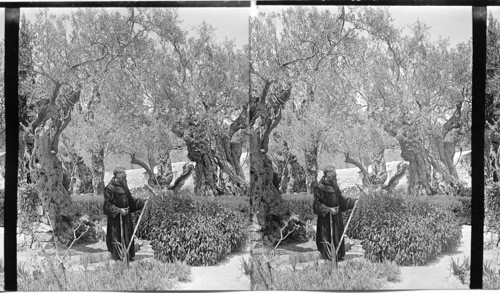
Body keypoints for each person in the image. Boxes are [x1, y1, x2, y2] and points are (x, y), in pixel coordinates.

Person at [313, 165, 358, 261]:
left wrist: (352, 201)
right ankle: (327, 255)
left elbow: (341, 200)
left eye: (335, 175)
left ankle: (337, 255)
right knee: (326, 235)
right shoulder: (319, 188)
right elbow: (316, 205)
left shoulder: (334, 186)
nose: (335, 177)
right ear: (327, 175)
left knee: (337, 234)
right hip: (326, 218)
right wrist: (329, 209)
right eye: (333, 175)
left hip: (336, 216)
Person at [103, 167, 145, 261]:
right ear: (117, 176)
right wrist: (118, 210)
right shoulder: (109, 189)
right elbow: (107, 206)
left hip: (126, 217)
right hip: (115, 220)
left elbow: (130, 200)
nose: (125, 177)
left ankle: (128, 256)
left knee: (127, 235)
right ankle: (118, 257)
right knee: (116, 236)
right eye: (123, 175)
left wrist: (141, 202)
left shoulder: (124, 186)